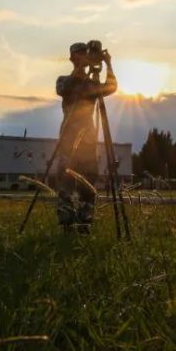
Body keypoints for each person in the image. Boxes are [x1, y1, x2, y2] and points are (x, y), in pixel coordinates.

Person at [54, 42, 117, 233]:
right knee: (65, 184)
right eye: (79, 55)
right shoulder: (64, 80)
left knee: (88, 185)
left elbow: (111, 88)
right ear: (72, 58)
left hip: (88, 142)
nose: (83, 57)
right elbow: (63, 89)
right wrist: (82, 68)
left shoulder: (91, 84)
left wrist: (107, 65)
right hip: (68, 141)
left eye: (85, 54)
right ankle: (66, 224)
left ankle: (84, 223)